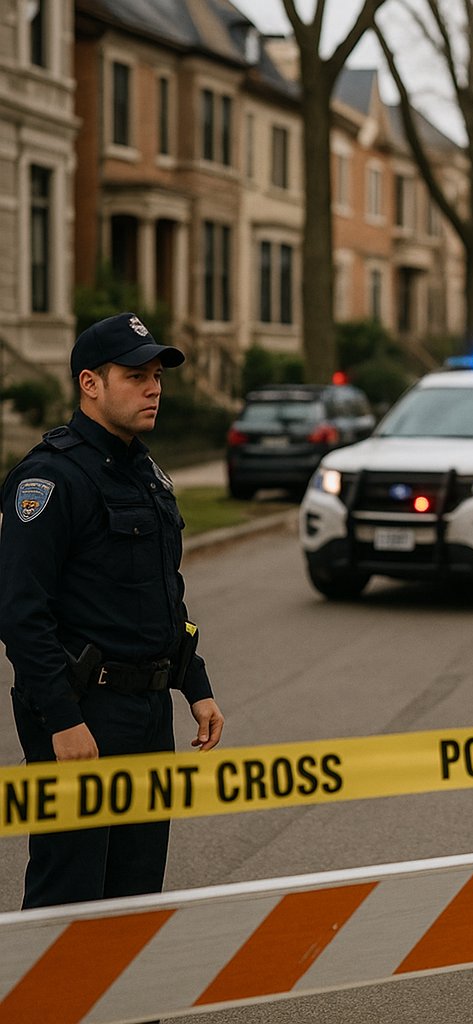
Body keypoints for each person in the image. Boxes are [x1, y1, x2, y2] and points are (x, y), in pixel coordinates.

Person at [0, 312, 225, 909]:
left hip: (147, 709)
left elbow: (161, 591)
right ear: (90, 384)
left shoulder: (145, 473)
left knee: (135, 894)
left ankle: (126, 1009)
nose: (153, 387)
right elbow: (22, 613)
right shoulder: (50, 478)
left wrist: (192, 683)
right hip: (83, 711)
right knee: (69, 890)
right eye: (135, 376)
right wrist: (62, 722)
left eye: (157, 375)